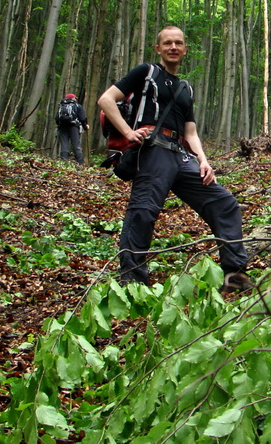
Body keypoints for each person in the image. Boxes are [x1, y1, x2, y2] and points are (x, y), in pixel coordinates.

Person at [97, 26, 251, 293]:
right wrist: (128, 132)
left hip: (180, 155)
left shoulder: (184, 88)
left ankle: (235, 278)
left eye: (178, 43)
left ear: (184, 49)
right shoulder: (146, 73)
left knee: (224, 203)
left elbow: (190, 131)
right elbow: (106, 100)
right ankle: (133, 284)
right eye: (167, 43)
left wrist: (203, 161)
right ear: (158, 48)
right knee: (143, 212)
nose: (173, 47)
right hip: (153, 150)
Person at [56, 93, 89, 164]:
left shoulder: (61, 106)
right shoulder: (77, 106)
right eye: (75, 98)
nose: (76, 99)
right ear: (73, 99)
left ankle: (63, 162)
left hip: (62, 127)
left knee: (64, 145)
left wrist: (60, 125)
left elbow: (57, 118)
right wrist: (85, 126)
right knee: (76, 145)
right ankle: (80, 163)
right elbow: (82, 119)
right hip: (73, 127)